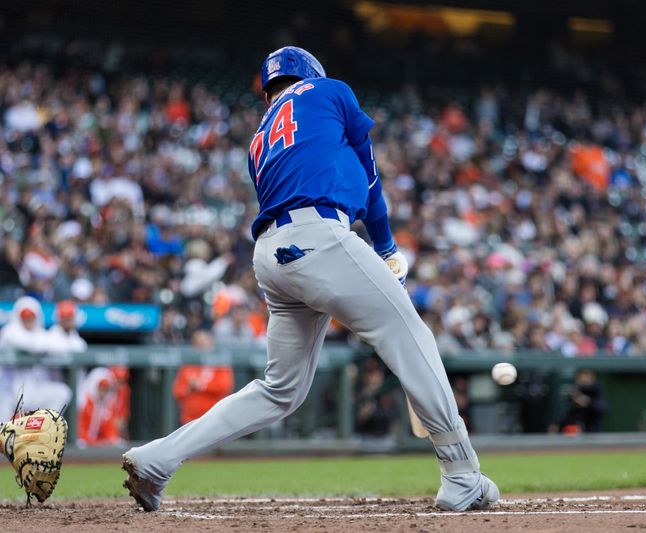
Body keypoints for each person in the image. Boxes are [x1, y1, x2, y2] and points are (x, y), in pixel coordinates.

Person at [122, 46, 498, 512]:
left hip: (272, 257)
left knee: (279, 390)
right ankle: (461, 470)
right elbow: (370, 175)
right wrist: (385, 247)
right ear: (311, 74)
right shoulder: (329, 90)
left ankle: (158, 457)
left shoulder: (259, 139)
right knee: (411, 336)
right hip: (319, 236)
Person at [0, 296, 73, 419]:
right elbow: (32, 344)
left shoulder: (40, 333)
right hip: (7, 392)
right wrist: (42, 345)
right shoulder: (9, 331)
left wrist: (42, 343)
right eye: (24, 316)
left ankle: (41, 430)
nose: (28, 320)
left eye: (31, 317)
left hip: (30, 390)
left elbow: (60, 346)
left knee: (62, 393)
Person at [173, 330, 234, 425]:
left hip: (213, 419)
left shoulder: (220, 364)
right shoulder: (188, 365)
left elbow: (225, 386)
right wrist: (189, 389)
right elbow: (177, 391)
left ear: (211, 343)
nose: (200, 347)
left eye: (203, 343)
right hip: (189, 420)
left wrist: (201, 387)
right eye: (197, 344)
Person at [77, 367, 126, 447]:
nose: (103, 392)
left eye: (105, 389)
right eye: (101, 388)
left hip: (95, 443)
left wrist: (111, 440)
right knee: (81, 444)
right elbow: (80, 431)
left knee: (119, 444)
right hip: (81, 442)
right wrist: (94, 443)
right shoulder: (83, 400)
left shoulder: (106, 403)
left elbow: (109, 428)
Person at [552, 369, 608, 434]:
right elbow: (566, 414)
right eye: (581, 377)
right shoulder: (574, 391)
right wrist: (557, 424)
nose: (584, 380)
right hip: (574, 433)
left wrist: (587, 402)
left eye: (587, 377)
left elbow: (603, 409)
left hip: (593, 433)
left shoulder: (596, 391)